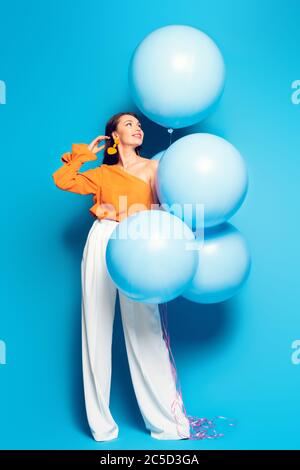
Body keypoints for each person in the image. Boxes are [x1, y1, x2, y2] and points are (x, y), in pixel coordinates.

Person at [52, 112, 194, 442]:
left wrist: (130, 215)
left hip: (139, 244)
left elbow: (163, 210)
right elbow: (62, 178)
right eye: (129, 124)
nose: (138, 129)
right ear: (114, 135)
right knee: (96, 327)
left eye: (139, 125)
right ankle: (101, 426)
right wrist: (85, 154)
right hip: (102, 240)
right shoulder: (100, 173)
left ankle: (167, 423)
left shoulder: (153, 169)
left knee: (145, 327)